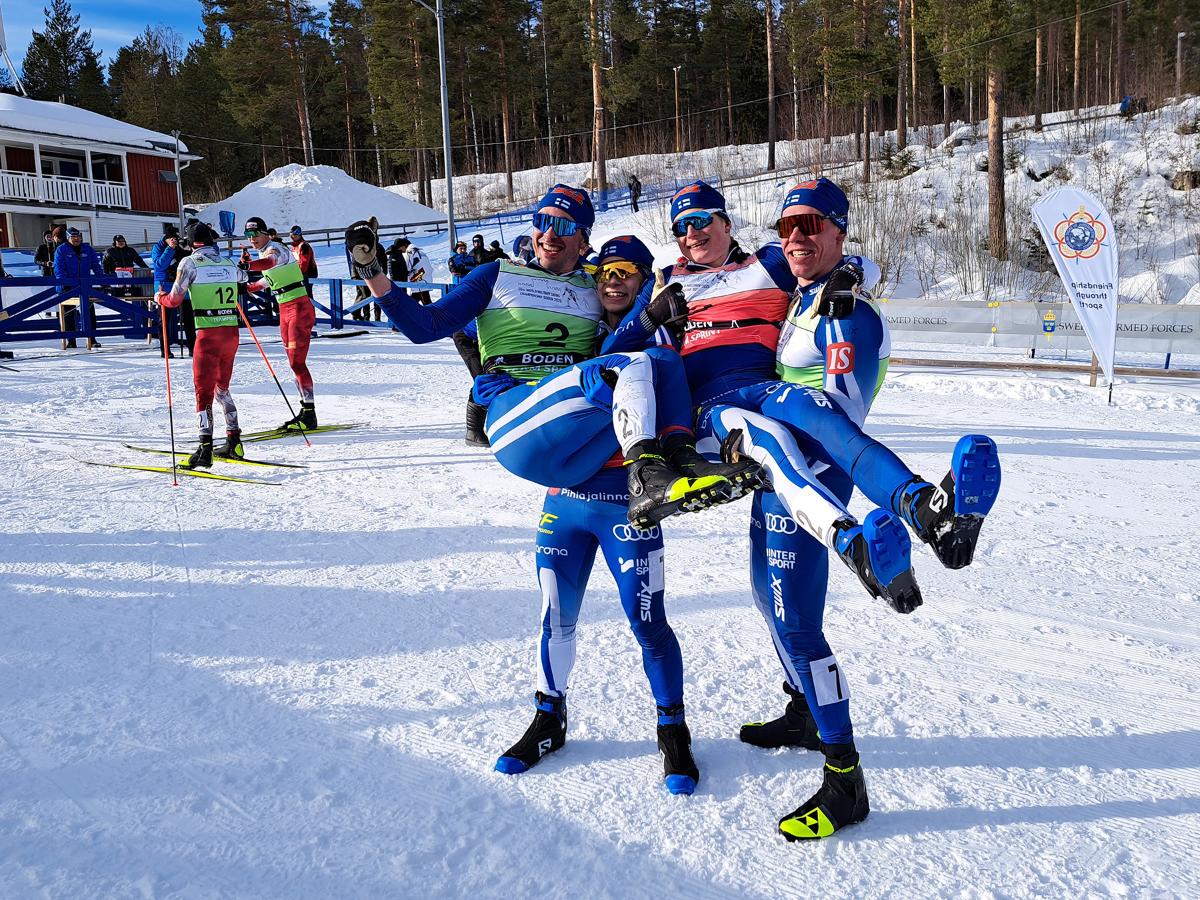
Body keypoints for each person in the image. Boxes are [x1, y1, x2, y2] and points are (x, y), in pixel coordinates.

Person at [606, 178, 1001, 839]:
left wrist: (853, 268)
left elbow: (831, 266)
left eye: (704, 219)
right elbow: (614, 353)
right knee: (776, 599)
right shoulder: (668, 283)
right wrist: (648, 320)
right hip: (712, 417)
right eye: (681, 225)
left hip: (772, 401)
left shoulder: (765, 266)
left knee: (809, 427)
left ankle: (922, 517)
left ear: (728, 223)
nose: (692, 232)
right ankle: (881, 547)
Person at [346, 182, 759, 528]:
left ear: (583, 240)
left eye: (563, 225)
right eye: (542, 221)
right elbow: (426, 327)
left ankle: (685, 463)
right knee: (626, 366)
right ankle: (648, 472)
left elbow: (640, 317)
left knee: (658, 361)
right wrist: (372, 271)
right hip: (519, 419)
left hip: (579, 439)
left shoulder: (595, 285)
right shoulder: (498, 274)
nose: (548, 233)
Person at [496, 235, 699, 794]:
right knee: (555, 615)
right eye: (605, 271)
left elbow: (638, 364)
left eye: (627, 272)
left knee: (647, 622)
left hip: (626, 502)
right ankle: (548, 720)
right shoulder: (580, 331)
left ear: (645, 278)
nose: (614, 280)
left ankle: (672, 729)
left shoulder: (661, 330)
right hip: (565, 501)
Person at [156, 222, 253, 467]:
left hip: (208, 334)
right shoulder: (228, 263)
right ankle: (234, 441)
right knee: (222, 389)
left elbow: (175, 299)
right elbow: (244, 275)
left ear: (191, 243)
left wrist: (159, 298)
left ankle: (205, 448)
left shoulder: (189, 262)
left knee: (203, 392)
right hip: (231, 333)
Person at [243, 215, 320, 430]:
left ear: (265, 233)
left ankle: (309, 414)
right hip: (285, 309)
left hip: (298, 308)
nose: (252, 239)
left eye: (255, 234)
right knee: (293, 363)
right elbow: (266, 280)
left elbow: (270, 262)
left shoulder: (276, 248)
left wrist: (249, 265)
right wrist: (247, 287)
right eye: (248, 235)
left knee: (297, 362)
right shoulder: (263, 252)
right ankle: (305, 410)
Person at [53, 227, 105, 350]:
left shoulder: (87, 249)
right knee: (68, 314)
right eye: (73, 237)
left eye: (78, 237)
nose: (76, 239)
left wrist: (102, 280)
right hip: (68, 287)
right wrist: (65, 283)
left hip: (85, 287)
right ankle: (71, 340)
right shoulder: (61, 250)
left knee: (89, 313)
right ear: (68, 237)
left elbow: (96, 266)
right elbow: (59, 269)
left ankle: (91, 338)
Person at [152, 227, 191, 356]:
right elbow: (159, 265)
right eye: (172, 239)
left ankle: (193, 347)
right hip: (164, 286)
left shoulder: (180, 247)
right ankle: (165, 350)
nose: (174, 241)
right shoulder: (158, 248)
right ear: (166, 239)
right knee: (164, 320)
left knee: (188, 317)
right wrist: (170, 249)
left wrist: (187, 250)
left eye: (176, 239)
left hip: (180, 284)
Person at [400, 238, 432, 305]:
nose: (400, 250)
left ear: (405, 245)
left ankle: (433, 314)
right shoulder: (420, 252)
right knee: (419, 300)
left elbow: (407, 266)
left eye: (400, 247)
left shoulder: (409, 252)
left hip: (418, 279)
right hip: (425, 278)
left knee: (425, 302)